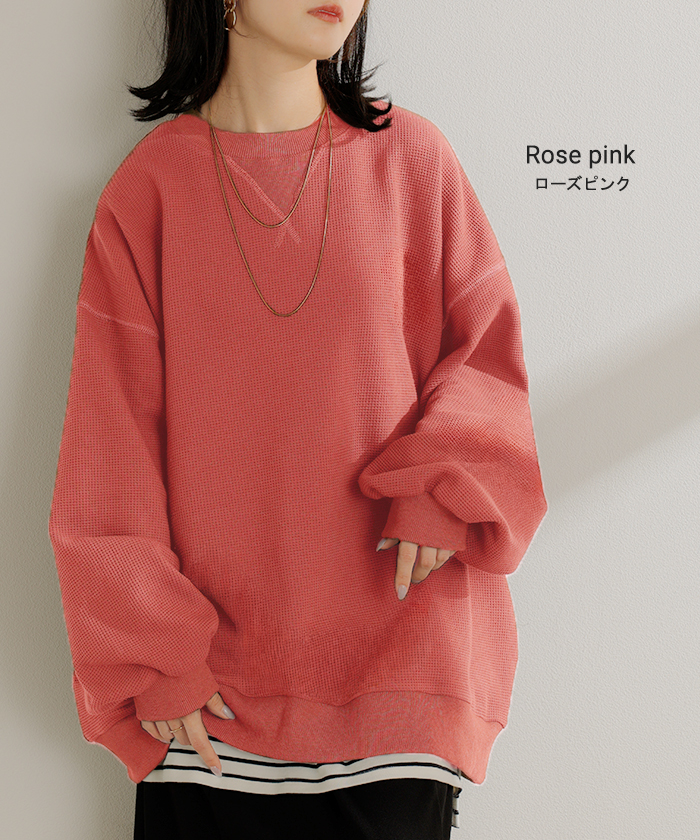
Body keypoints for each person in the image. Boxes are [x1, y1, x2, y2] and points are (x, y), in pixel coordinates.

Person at [48, 1, 548, 838]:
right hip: (211, 698)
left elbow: (486, 352)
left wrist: (442, 487)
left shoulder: (410, 158)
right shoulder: (150, 190)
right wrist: (154, 652)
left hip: (401, 670)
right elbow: (110, 448)